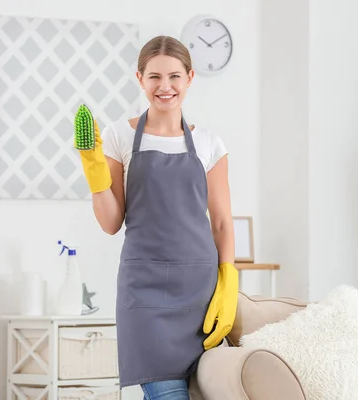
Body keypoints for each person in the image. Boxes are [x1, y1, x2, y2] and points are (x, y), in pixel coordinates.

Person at [75, 35, 239, 399]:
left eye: (174, 77)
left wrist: (228, 280)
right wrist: (95, 171)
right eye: (154, 77)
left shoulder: (210, 144)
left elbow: (223, 222)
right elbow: (110, 222)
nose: (164, 87)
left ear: (190, 78)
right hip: (144, 290)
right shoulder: (120, 136)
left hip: (198, 291)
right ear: (140, 79)